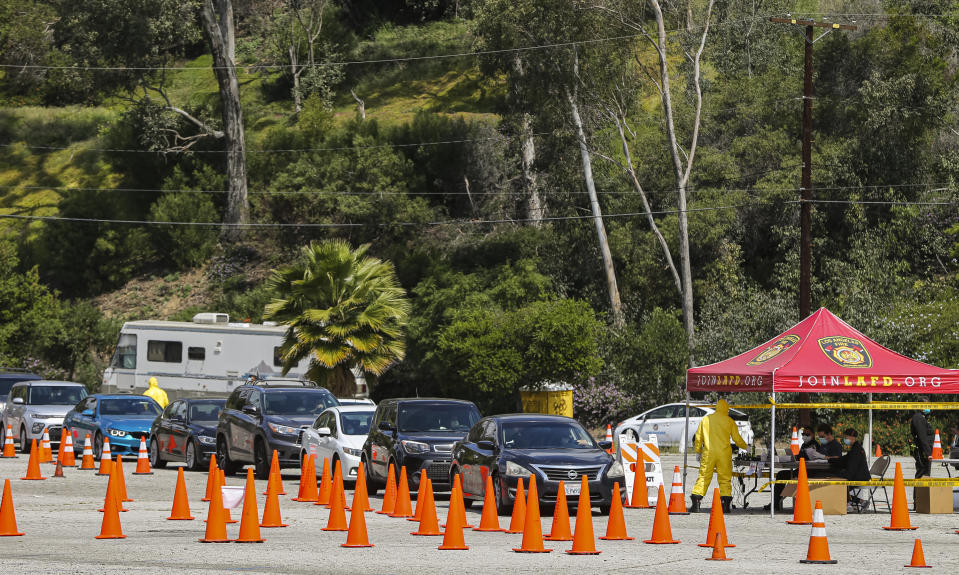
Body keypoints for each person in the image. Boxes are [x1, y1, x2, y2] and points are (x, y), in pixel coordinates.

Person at [690, 399, 748, 513]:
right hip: (724, 454)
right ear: (726, 408)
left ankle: (696, 503)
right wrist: (746, 447)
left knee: (703, 477)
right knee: (725, 479)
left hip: (708, 453)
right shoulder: (729, 421)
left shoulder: (706, 419)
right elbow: (737, 438)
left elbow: (698, 437)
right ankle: (725, 505)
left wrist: (698, 451)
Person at [766, 425, 816, 511]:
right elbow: (800, 456)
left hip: (808, 471)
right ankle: (776, 502)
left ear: (813, 435)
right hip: (800, 469)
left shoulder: (814, 445)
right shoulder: (805, 444)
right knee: (781, 474)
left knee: (781, 475)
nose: (805, 436)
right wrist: (791, 457)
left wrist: (797, 458)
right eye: (803, 434)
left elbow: (809, 458)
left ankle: (776, 503)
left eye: (807, 434)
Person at [829, 428, 870, 510]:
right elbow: (845, 459)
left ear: (852, 438)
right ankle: (862, 501)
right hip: (860, 475)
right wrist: (831, 459)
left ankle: (848, 504)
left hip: (859, 477)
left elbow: (851, 468)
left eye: (846, 437)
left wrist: (843, 478)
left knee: (837, 485)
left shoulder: (856, 450)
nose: (845, 439)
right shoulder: (856, 448)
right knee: (838, 483)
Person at [910, 403, 934, 479]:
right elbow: (922, 437)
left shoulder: (923, 417)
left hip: (925, 451)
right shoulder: (918, 418)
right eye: (926, 405)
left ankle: (923, 491)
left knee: (925, 475)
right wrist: (928, 453)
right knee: (922, 473)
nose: (928, 408)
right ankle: (918, 491)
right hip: (922, 452)